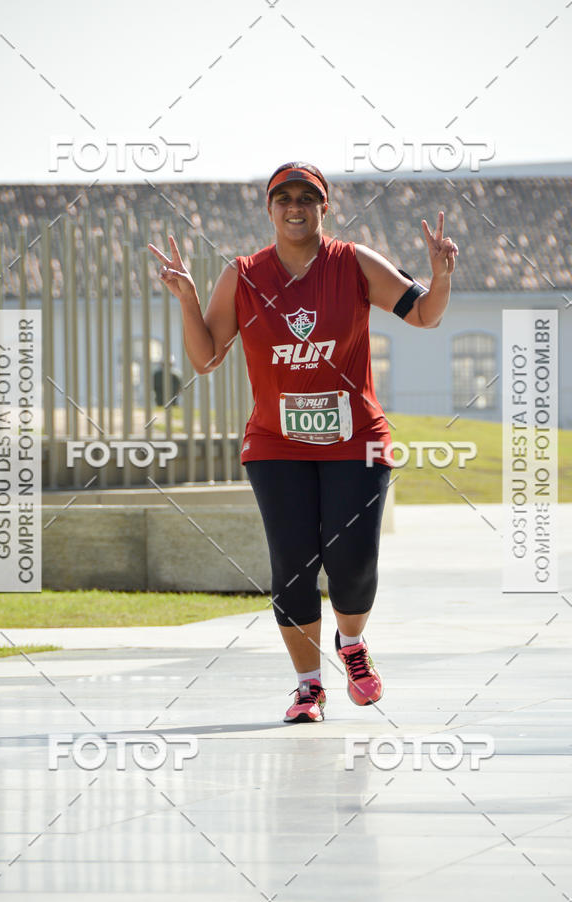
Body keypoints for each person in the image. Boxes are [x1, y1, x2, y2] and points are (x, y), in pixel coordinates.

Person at [148, 162, 458, 724]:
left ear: (324, 207)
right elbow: (206, 357)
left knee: (353, 563)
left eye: (307, 197)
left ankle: (352, 644)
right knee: (293, 566)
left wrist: (441, 277)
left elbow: (426, 317)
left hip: (357, 440)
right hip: (275, 444)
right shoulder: (242, 275)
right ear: (270, 209)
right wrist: (188, 299)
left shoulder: (355, 263)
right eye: (284, 197)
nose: (296, 206)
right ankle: (308, 687)